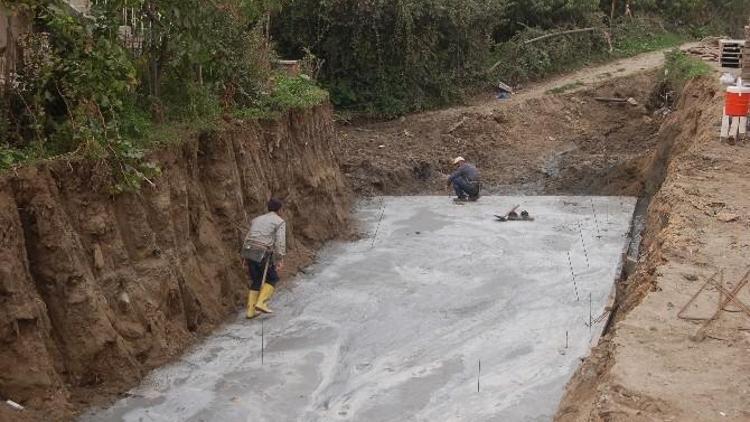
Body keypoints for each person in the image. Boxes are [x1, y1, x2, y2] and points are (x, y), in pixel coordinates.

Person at [241, 198, 286, 319]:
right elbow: (280, 242)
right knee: (272, 278)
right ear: (280, 209)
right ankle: (261, 303)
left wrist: (244, 257)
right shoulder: (279, 222)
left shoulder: (256, 219)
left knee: (256, 279)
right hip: (262, 251)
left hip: (249, 250)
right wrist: (279, 259)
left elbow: (248, 236)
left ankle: (250, 311)